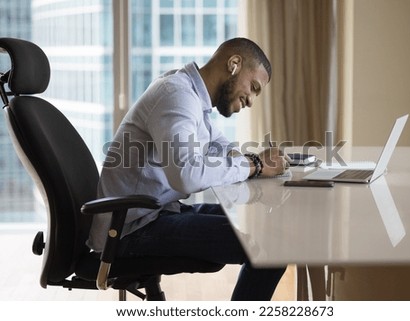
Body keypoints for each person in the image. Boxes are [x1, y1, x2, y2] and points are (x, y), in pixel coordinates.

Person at [87, 37, 290, 300]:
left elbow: (219, 145)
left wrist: (257, 162)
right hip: (130, 230)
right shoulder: (176, 95)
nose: (251, 101)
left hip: (155, 214)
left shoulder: (192, 96)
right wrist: (255, 165)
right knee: (271, 246)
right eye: (253, 87)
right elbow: (186, 176)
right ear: (234, 64)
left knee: (263, 226)